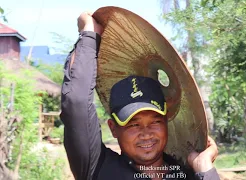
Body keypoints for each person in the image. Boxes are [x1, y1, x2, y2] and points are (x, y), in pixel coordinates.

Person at [60, 11, 221, 180]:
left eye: (155, 121)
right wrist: (90, 35)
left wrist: (204, 167)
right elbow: (75, 102)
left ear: (167, 122)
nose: (146, 133)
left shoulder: (187, 174)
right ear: (113, 128)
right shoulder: (98, 168)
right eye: (133, 125)